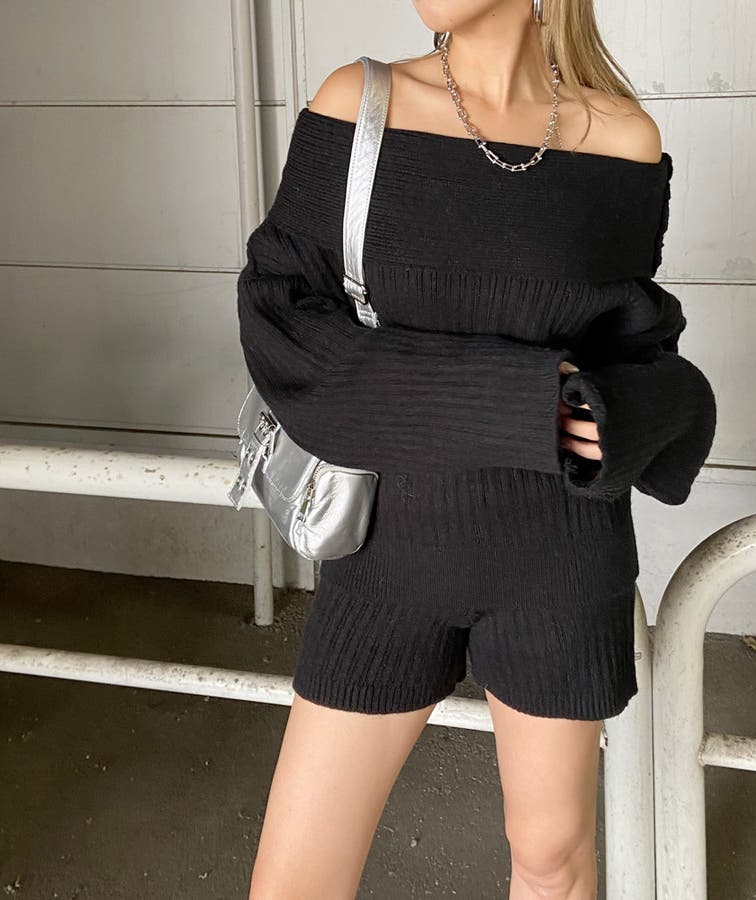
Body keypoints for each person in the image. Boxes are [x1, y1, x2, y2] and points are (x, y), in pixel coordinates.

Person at [239, 1, 716, 897]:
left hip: (561, 559)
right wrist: (523, 406)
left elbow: (642, 349)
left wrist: (613, 414)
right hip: (385, 553)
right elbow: (281, 325)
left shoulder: (623, 140)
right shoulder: (358, 105)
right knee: (296, 879)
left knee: (552, 861)